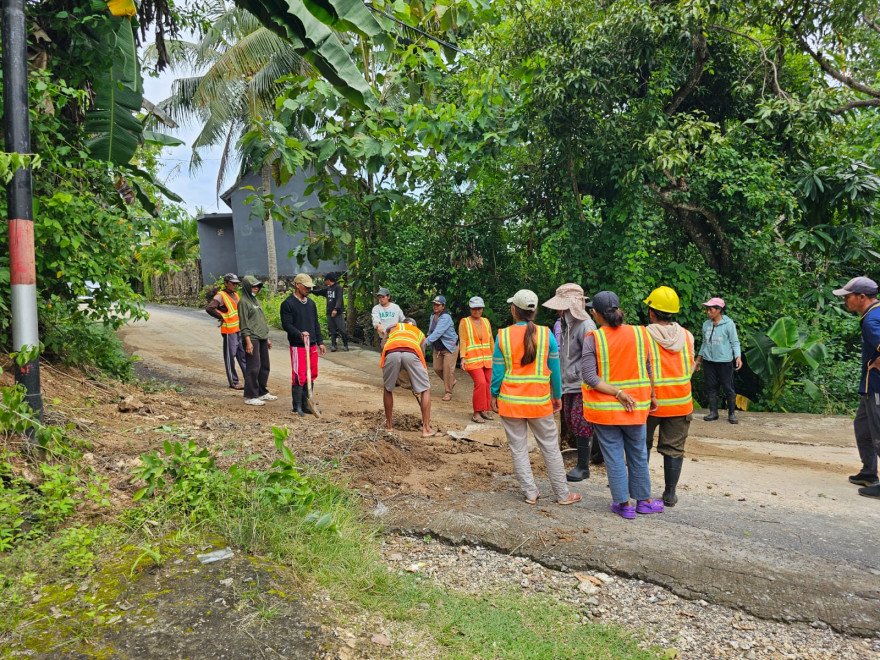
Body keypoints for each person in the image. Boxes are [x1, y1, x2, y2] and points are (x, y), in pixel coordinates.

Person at [491, 289, 581, 506]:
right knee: (550, 448)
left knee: (518, 449)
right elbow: (555, 370)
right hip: (539, 403)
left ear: (514, 310)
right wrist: (557, 396)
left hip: (511, 403)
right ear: (535, 311)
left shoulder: (503, 336)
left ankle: (530, 493)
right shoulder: (547, 334)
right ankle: (562, 494)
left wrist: (494, 394)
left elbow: (498, 373)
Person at [581, 290, 664, 519]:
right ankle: (644, 502)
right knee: (638, 453)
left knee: (614, 456)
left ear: (596, 313)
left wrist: (617, 393)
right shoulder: (640, 333)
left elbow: (590, 376)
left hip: (606, 412)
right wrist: (652, 395)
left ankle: (624, 504)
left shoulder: (593, 338)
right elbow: (648, 367)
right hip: (635, 407)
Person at [643, 286, 695, 506]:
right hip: (680, 402)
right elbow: (690, 365)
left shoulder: (644, 335)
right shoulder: (687, 336)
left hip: (651, 402)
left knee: (641, 444)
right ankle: (670, 493)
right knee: (674, 449)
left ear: (652, 312)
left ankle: (641, 489)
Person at [542, 283, 596, 482]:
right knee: (573, 421)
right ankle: (591, 457)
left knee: (581, 421)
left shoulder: (586, 325)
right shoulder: (565, 323)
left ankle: (583, 466)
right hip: (568, 380)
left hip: (582, 382)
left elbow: (592, 357)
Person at [833, 276, 880, 498]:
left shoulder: (871, 321)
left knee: (878, 433)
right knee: (863, 427)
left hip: (877, 387)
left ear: (862, 297)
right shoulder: (874, 314)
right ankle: (869, 472)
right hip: (869, 387)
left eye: (848, 297)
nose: (845, 301)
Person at [380, 318, 438, 437]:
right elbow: (420, 356)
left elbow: (383, 346)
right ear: (414, 326)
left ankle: (389, 427)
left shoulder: (393, 328)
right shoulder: (418, 332)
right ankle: (426, 429)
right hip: (412, 353)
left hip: (391, 353)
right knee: (425, 389)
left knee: (388, 388)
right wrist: (416, 382)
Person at [280, 273, 327, 416]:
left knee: (311, 374)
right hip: (298, 345)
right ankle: (297, 406)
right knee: (299, 375)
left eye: (309, 287)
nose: (308, 289)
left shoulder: (311, 304)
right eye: (306, 287)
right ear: (297, 285)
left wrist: (320, 342)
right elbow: (287, 325)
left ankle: (307, 404)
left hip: (311, 344)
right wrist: (299, 334)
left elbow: (315, 323)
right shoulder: (288, 304)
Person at [695, 297, 742, 424]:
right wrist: (698, 360)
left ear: (719, 310)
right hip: (709, 361)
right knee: (711, 387)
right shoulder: (706, 324)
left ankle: (732, 414)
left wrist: (738, 357)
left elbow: (735, 342)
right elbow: (704, 343)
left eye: (711, 309)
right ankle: (713, 412)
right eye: (707, 309)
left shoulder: (729, 324)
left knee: (728, 387)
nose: (708, 312)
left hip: (724, 361)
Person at [237, 275, 276, 406]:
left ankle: (262, 391)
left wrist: (267, 337)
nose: (256, 288)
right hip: (252, 338)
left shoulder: (255, 300)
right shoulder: (243, 302)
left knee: (265, 366)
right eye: (253, 286)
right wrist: (248, 342)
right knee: (253, 367)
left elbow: (260, 321)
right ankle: (250, 395)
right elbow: (243, 323)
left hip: (262, 337)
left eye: (257, 286)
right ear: (247, 287)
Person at [205, 273, 246, 390]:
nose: (235, 285)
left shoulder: (235, 295)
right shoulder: (221, 296)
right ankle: (234, 382)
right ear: (226, 283)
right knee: (230, 357)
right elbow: (209, 308)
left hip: (239, 329)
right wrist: (221, 317)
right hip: (229, 331)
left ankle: (250, 380)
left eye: (236, 283)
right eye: (233, 283)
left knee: (243, 356)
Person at [459, 296, 494, 423]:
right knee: (481, 383)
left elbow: (491, 339)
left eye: (479, 308)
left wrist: (495, 356)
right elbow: (463, 340)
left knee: (488, 383)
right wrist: (462, 357)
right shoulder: (465, 322)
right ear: (470, 309)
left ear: (482, 309)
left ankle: (485, 409)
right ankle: (476, 412)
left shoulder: (486, 321)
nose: (477, 311)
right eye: (474, 308)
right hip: (473, 359)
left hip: (487, 359)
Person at [425, 295, 460, 401]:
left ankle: (448, 392)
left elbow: (437, 333)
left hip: (450, 347)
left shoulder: (446, 317)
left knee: (447, 370)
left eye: (438, 304)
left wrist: (424, 343)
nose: (435, 306)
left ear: (443, 306)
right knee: (437, 368)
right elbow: (431, 331)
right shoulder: (433, 316)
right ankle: (451, 381)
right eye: (434, 304)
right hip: (438, 347)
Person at [313, 272, 349, 352]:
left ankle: (345, 345)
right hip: (329, 312)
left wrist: (336, 309)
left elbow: (339, 299)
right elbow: (319, 292)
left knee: (342, 329)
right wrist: (310, 291)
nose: (324, 281)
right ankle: (333, 345)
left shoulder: (338, 287)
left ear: (328, 280)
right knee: (332, 330)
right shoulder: (328, 288)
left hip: (338, 313)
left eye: (325, 280)